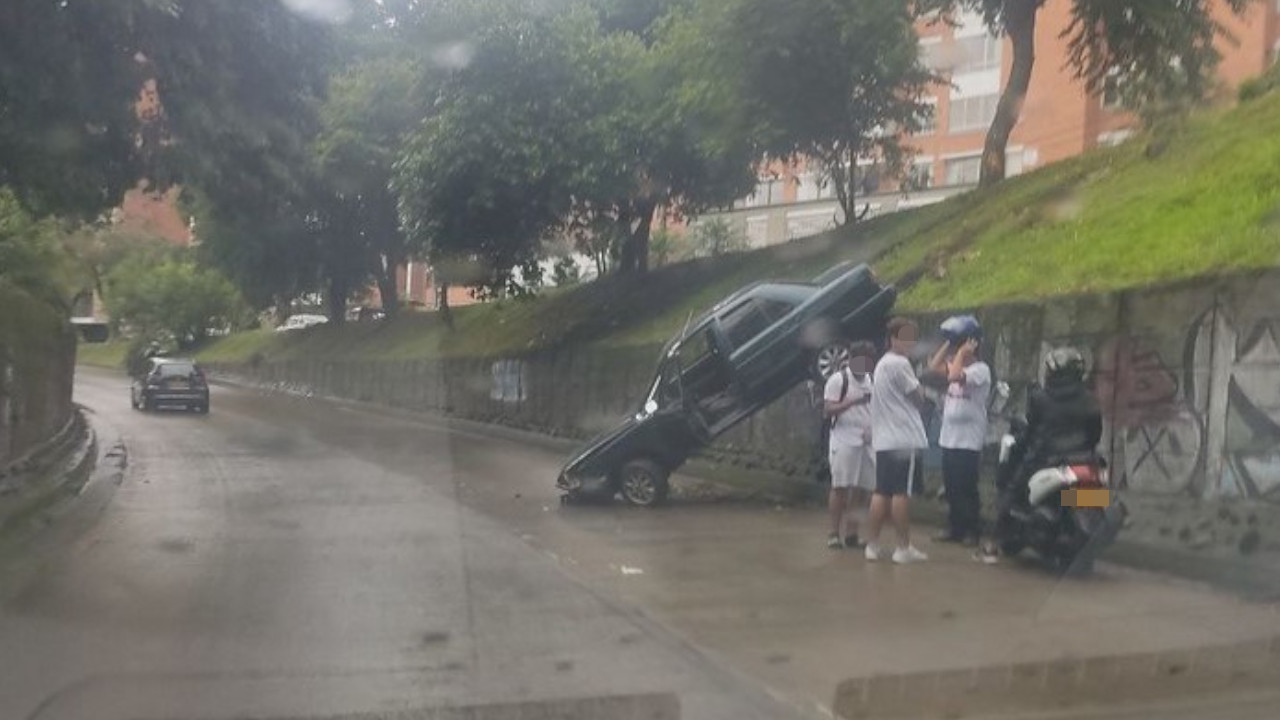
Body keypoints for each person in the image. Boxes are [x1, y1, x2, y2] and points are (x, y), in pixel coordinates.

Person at [995, 347, 1102, 540]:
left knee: (1014, 487)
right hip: (1084, 458)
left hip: (1047, 456)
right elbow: (1095, 433)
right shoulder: (1090, 399)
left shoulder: (1040, 397)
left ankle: (1003, 524)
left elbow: (1032, 429)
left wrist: (1021, 442)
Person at [865, 318, 930, 564]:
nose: (910, 343)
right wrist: (923, 389)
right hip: (904, 439)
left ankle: (872, 545)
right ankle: (903, 548)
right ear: (893, 338)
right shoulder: (900, 364)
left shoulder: (882, 365)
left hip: (884, 440)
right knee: (901, 493)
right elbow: (918, 396)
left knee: (881, 492)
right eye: (905, 337)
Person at [929, 321, 992, 547]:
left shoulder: (980, 370)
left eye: (961, 347)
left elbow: (953, 376)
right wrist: (950, 343)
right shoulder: (956, 363)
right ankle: (955, 527)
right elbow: (934, 366)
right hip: (949, 438)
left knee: (967, 488)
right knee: (952, 486)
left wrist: (964, 352)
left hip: (969, 440)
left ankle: (972, 530)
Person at [823, 341, 876, 549]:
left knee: (863, 489)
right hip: (843, 440)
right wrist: (852, 402)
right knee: (840, 488)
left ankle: (852, 533)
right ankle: (834, 533)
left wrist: (872, 429)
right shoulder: (839, 380)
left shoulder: (871, 381)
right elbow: (828, 409)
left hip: (866, 442)